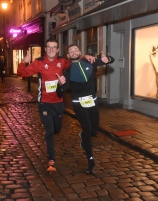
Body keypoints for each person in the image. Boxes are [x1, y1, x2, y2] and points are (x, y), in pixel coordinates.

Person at [17, 38, 96, 172]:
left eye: (54, 47)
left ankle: (50, 140)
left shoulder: (62, 62)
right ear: (45, 49)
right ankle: (51, 159)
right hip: (45, 103)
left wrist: (85, 56)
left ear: (58, 50)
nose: (52, 49)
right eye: (49, 47)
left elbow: (74, 61)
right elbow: (21, 73)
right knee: (49, 130)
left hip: (59, 103)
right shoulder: (39, 62)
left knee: (57, 129)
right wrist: (24, 62)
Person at [58, 44, 115, 174]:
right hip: (79, 103)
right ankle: (91, 161)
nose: (73, 52)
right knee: (88, 128)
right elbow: (60, 93)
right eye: (70, 51)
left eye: (75, 50)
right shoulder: (67, 71)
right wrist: (60, 85)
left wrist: (108, 59)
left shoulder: (89, 61)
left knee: (94, 130)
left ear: (80, 52)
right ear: (68, 56)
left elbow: (111, 60)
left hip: (93, 102)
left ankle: (84, 136)